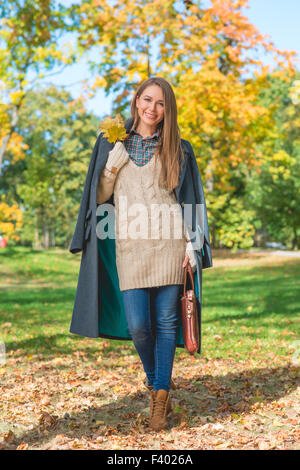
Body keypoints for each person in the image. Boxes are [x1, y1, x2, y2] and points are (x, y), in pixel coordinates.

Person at [96, 77, 199, 431]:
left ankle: (158, 396)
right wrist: (112, 163)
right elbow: (99, 199)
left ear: (168, 110)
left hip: (170, 242)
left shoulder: (178, 148)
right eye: (147, 100)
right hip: (131, 244)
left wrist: (191, 244)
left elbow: (188, 199)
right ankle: (160, 380)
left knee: (167, 324)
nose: (152, 109)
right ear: (136, 100)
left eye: (161, 104)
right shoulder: (112, 143)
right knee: (138, 325)